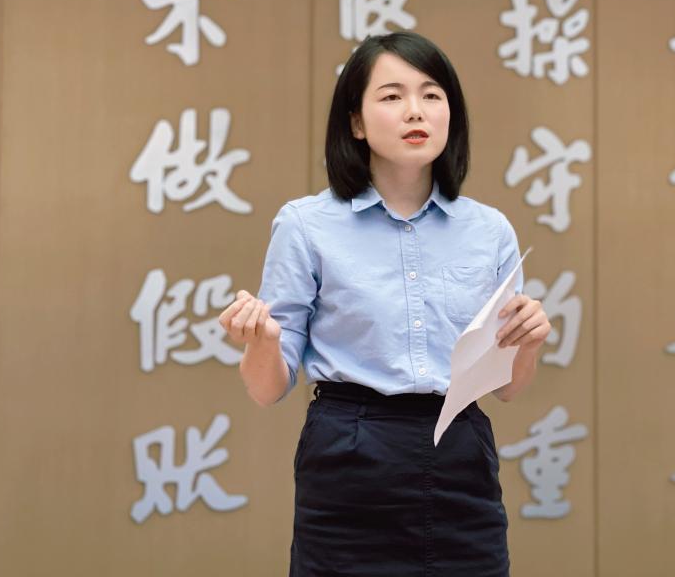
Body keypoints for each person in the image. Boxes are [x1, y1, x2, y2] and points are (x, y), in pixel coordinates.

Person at [217, 30, 551, 577]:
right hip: (349, 450)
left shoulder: (490, 230)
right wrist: (263, 343)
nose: (415, 110)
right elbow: (266, 388)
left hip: (460, 451)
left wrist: (528, 343)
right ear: (356, 122)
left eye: (431, 95)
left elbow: (508, 388)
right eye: (392, 96)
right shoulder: (305, 224)